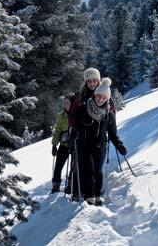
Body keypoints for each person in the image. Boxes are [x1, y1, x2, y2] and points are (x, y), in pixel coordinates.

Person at [72, 78, 127, 206]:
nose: (100, 99)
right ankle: (90, 197)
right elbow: (76, 125)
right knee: (89, 171)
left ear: (107, 99)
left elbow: (112, 133)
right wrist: (74, 132)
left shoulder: (109, 115)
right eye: (98, 96)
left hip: (100, 147)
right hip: (84, 146)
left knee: (97, 171)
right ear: (95, 95)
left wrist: (119, 145)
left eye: (103, 97)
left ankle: (96, 195)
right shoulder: (83, 110)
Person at [50, 95, 73, 193]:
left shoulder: (76, 114)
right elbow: (57, 130)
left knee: (74, 166)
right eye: (64, 102)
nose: (66, 104)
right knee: (58, 165)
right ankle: (56, 185)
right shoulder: (61, 115)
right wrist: (54, 145)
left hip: (75, 144)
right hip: (64, 144)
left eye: (68, 102)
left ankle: (70, 185)